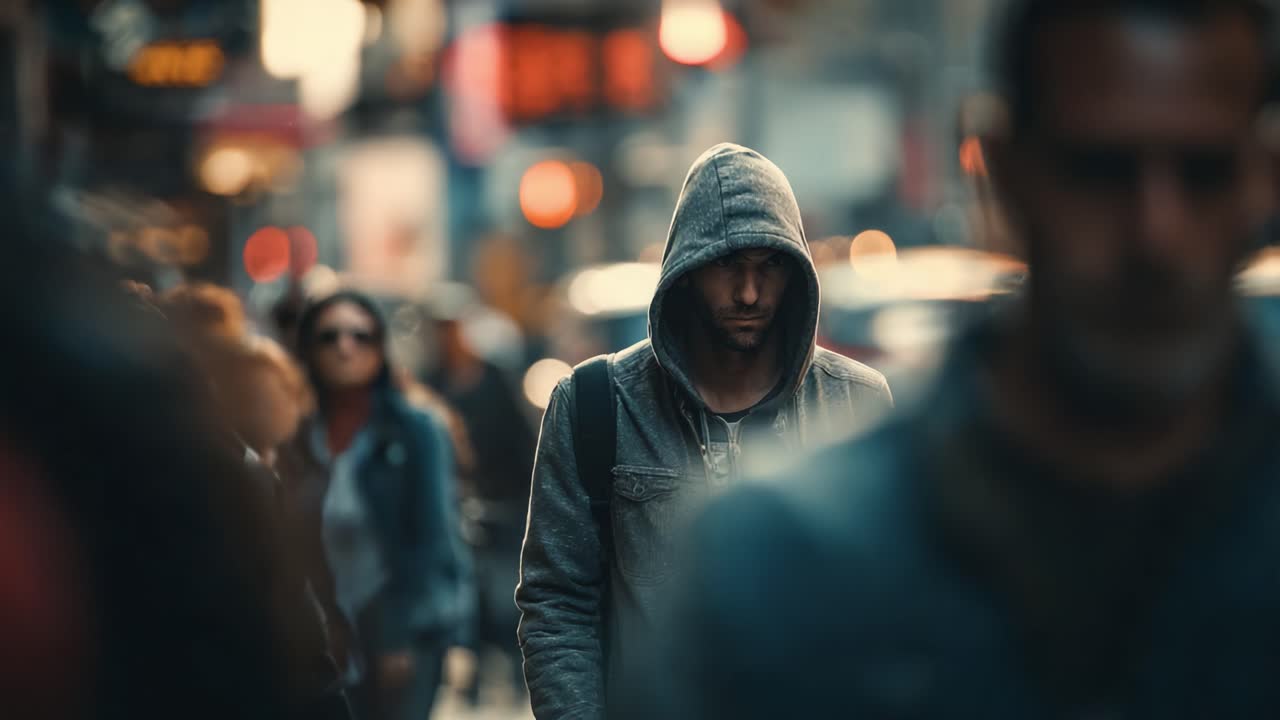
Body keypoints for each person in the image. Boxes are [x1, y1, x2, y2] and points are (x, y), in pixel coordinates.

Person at [662, 2, 1280, 718]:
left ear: (1262, 177)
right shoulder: (782, 566)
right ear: (1007, 171)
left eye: (1203, 171)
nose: (1156, 236)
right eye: (1101, 171)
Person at [516, 142, 894, 719]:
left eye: (768, 265)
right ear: (687, 272)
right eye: (727, 265)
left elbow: (888, 607)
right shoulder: (593, 404)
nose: (748, 292)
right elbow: (558, 601)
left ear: (796, 272)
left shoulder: (856, 401)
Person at [279, 290, 471, 720]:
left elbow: (431, 539)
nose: (345, 346)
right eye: (330, 337)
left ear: (380, 347)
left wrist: (397, 637)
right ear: (308, 348)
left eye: (360, 336)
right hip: (327, 636)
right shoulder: (298, 438)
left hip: (403, 633)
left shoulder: (416, 430)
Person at [423, 294, 537, 705]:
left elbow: (522, 441)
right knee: (469, 599)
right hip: (455, 506)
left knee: (508, 594)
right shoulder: (431, 383)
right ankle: (471, 677)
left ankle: (516, 671)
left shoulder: (494, 379)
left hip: (504, 503)